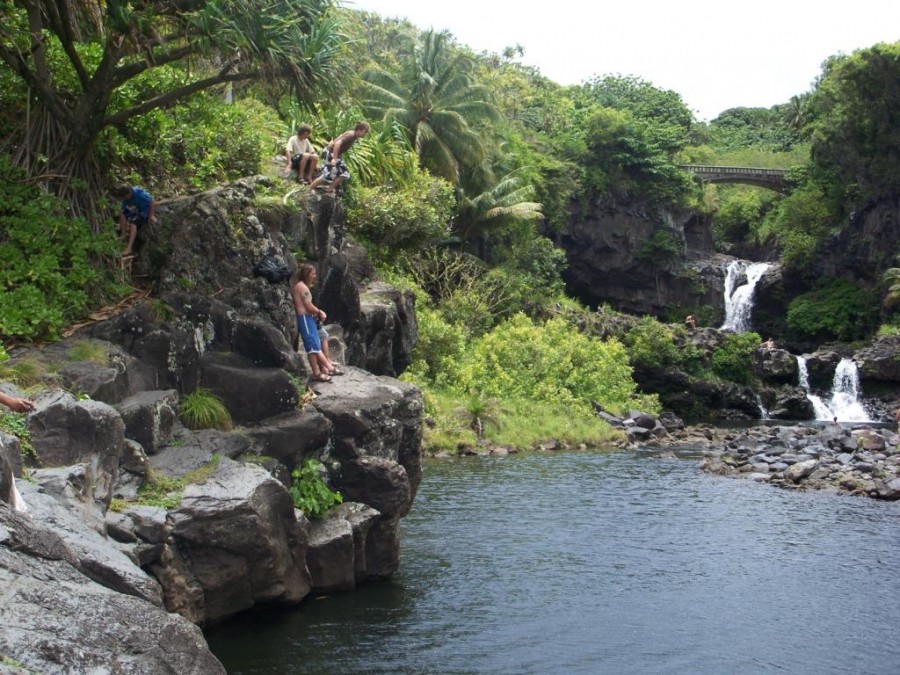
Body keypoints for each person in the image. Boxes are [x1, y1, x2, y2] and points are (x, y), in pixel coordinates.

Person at [291, 264, 340, 382]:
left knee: (315, 345)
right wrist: (319, 312)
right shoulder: (301, 287)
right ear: (306, 274)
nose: (315, 276)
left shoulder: (303, 286)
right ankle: (324, 370)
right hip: (304, 319)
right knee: (313, 346)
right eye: (313, 273)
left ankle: (321, 370)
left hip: (308, 318)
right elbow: (308, 306)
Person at [309, 121, 370, 194]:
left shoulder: (352, 135)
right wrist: (334, 158)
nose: (365, 134)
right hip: (330, 154)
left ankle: (329, 189)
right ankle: (311, 188)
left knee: (344, 173)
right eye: (364, 132)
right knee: (328, 175)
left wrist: (338, 157)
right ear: (359, 130)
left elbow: (338, 138)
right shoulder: (350, 136)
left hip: (335, 154)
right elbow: (337, 144)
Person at [115, 184, 156, 256]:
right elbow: (123, 209)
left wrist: (151, 215)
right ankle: (123, 235)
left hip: (144, 212)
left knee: (133, 223)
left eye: (125, 197)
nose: (124, 199)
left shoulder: (139, 194)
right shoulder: (126, 198)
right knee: (122, 213)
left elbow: (152, 201)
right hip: (135, 209)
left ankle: (129, 248)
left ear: (129, 193)